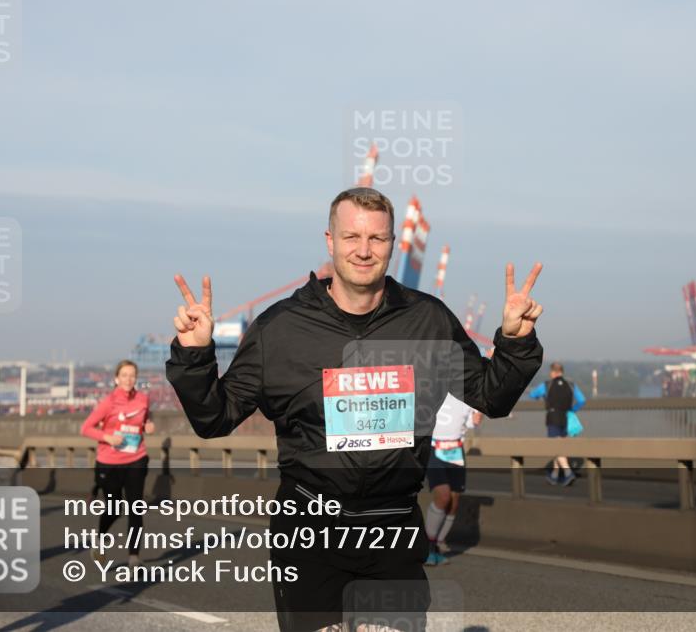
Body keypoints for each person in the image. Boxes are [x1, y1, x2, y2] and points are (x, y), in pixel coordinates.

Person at [167, 187, 544, 631]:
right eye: (351, 237)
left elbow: (491, 397)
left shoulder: (428, 320)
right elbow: (214, 418)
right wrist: (194, 355)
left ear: (392, 245)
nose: (363, 251)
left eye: (376, 239)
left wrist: (515, 342)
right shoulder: (280, 328)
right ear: (329, 241)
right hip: (309, 533)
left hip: (393, 530)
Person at [80, 359, 155, 567]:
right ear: (116, 378)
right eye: (124, 375)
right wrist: (108, 437)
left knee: (135, 508)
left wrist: (148, 426)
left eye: (132, 375)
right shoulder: (109, 402)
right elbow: (86, 428)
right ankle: (99, 537)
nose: (128, 379)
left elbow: (145, 420)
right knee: (114, 509)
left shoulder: (143, 399)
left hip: (136, 459)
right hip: (109, 462)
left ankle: (133, 557)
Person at [423, 393, 482, 566]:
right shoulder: (434, 386)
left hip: (456, 451)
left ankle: (436, 545)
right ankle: (427, 545)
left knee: (454, 504)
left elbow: (471, 422)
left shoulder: (468, 391)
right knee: (443, 496)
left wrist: (477, 418)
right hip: (434, 448)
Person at [529, 362, 585, 486]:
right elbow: (582, 400)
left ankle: (568, 473)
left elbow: (532, 395)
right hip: (566, 418)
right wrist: (572, 410)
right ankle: (554, 475)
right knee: (561, 446)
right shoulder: (571, 385)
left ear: (552, 372)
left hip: (553, 418)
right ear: (562, 372)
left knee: (555, 447)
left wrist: (541, 397)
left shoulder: (546, 385)